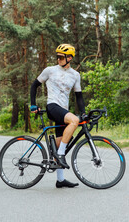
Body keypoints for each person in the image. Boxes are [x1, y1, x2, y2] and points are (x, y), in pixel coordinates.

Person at [30, 44, 86, 189]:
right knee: (74, 120)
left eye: (62, 57)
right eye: (58, 56)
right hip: (53, 107)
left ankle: (60, 179)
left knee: (62, 143)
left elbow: (79, 96)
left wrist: (84, 112)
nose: (59, 59)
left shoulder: (75, 75)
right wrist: (33, 104)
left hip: (63, 110)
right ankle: (60, 155)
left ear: (70, 58)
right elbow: (34, 85)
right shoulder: (50, 70)